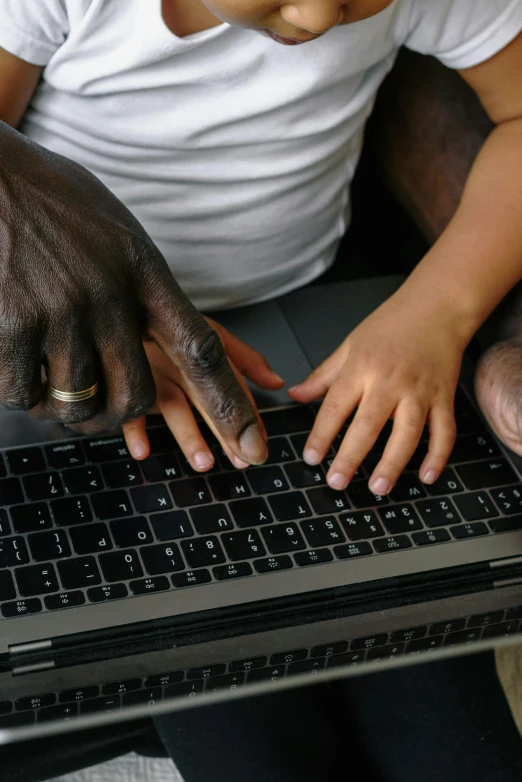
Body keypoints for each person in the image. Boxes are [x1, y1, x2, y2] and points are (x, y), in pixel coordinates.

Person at [1, 1, 522, 780]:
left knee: (442, 711)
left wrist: (435, 312)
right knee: (238, 706)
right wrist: (109, 325)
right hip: (112, 375)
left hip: (319, 336)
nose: (315, 18)